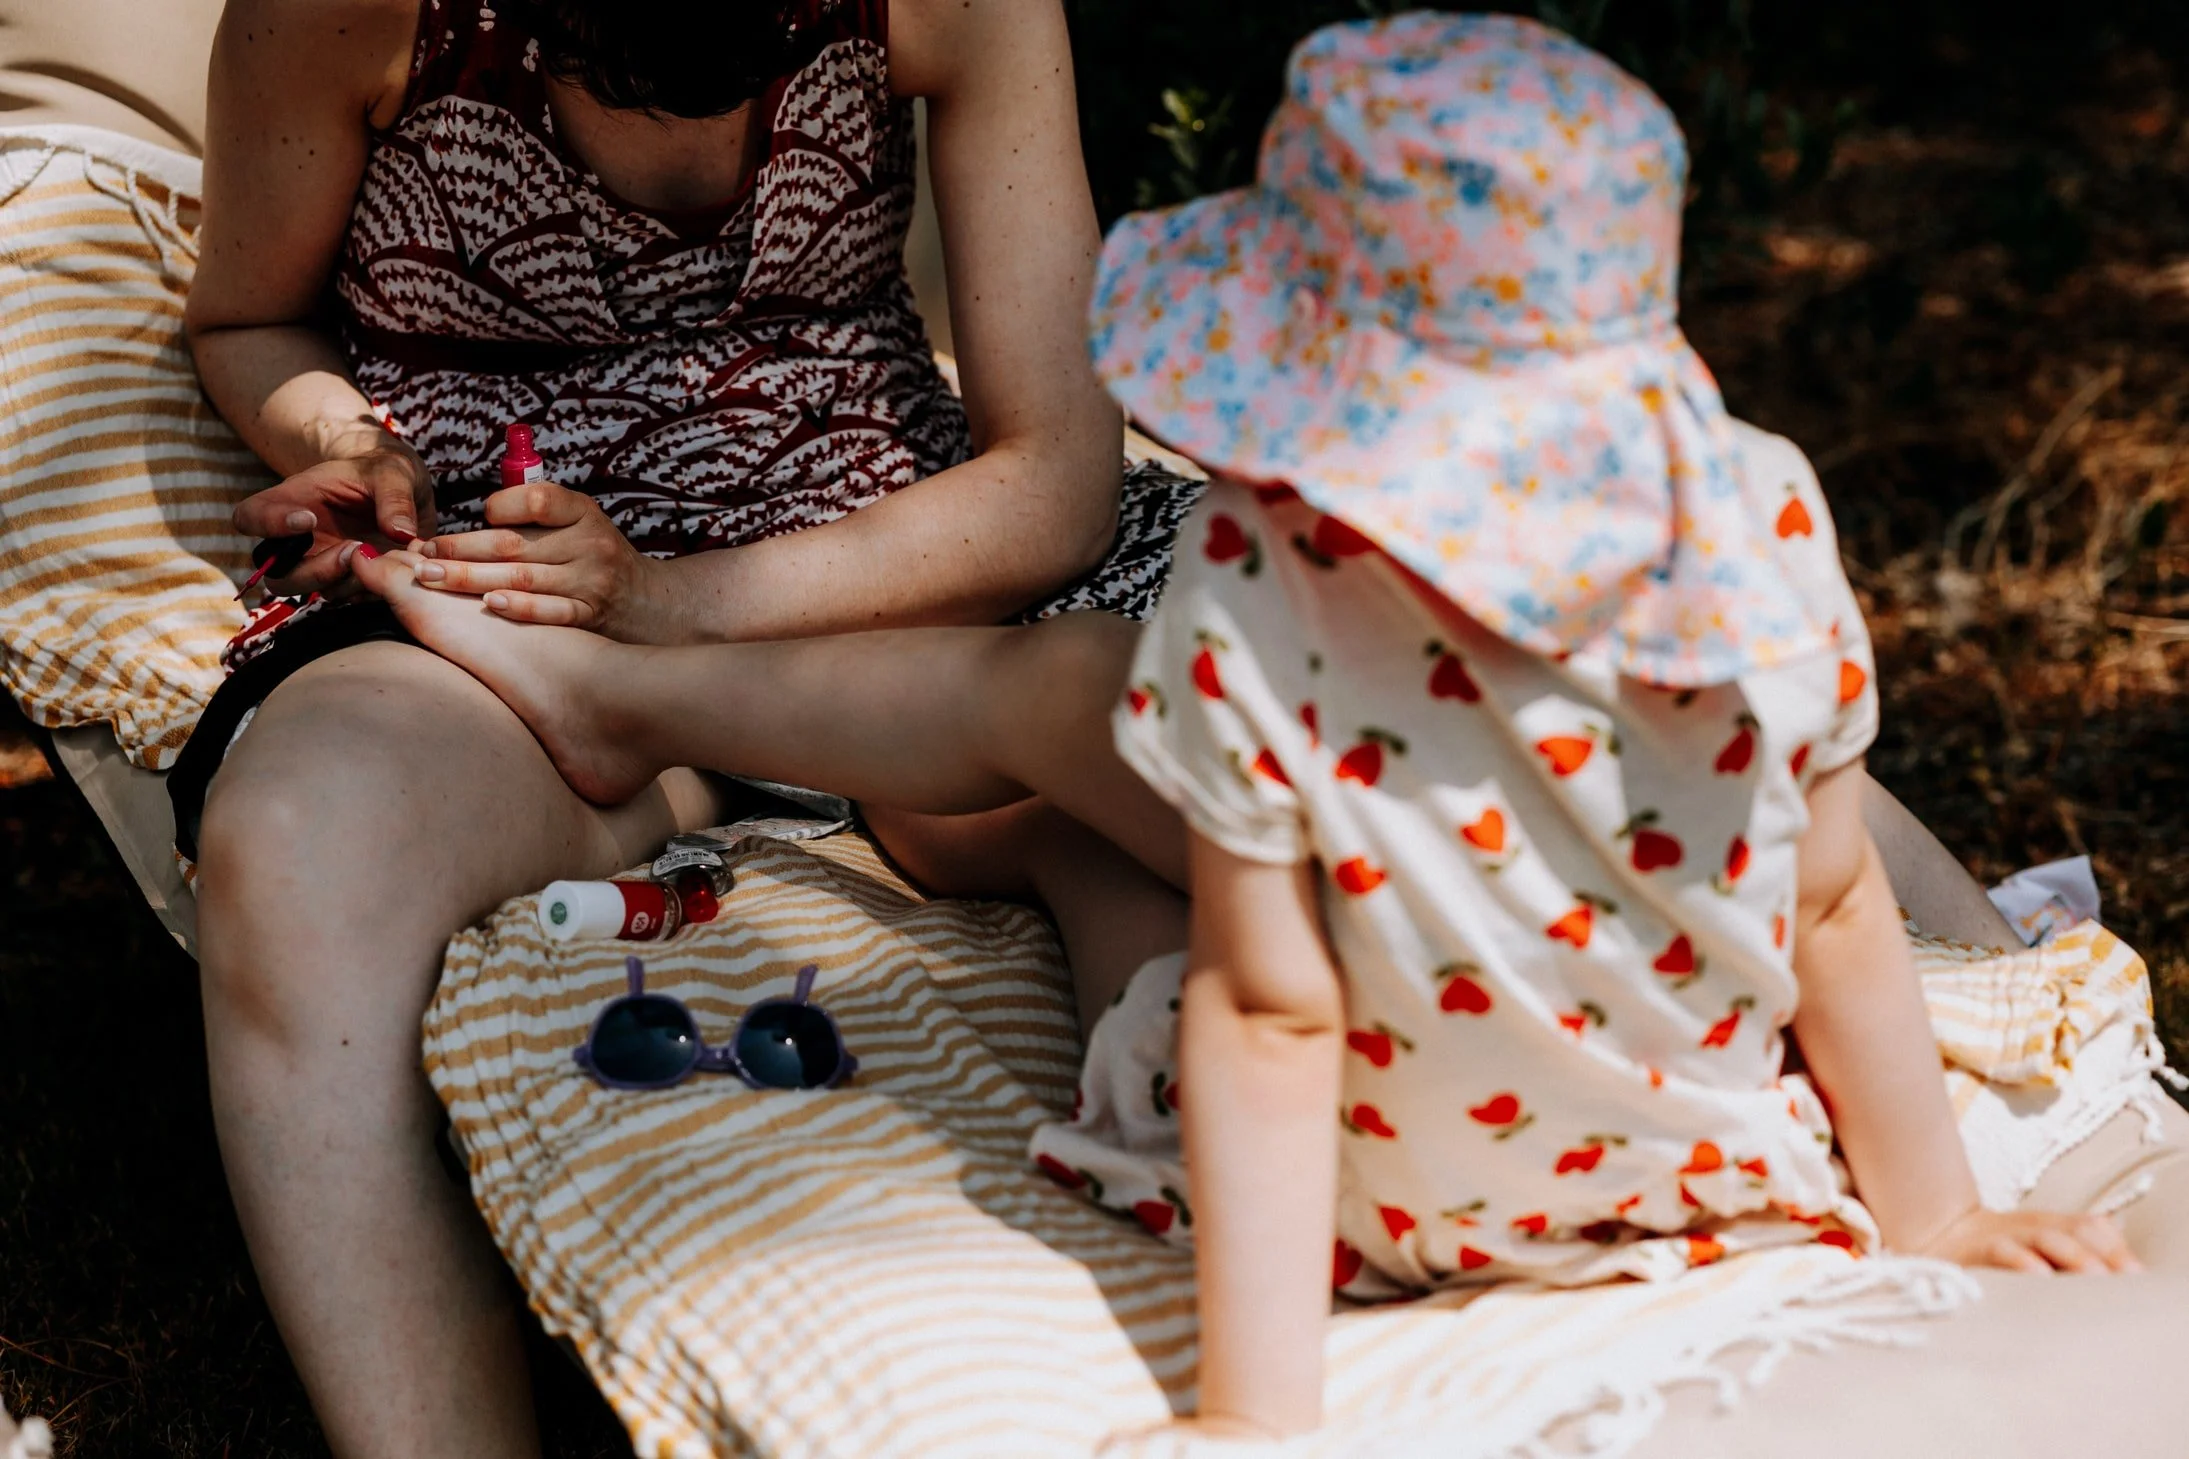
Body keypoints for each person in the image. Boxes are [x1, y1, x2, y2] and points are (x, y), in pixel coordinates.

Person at [342, 14, 2188, 1448]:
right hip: (1693, 1161)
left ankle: (767, 752)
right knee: (1081, 734)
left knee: (1074, 797)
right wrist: (1933, 1216)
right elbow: (1836, 904)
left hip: (1398, 1198)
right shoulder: (1764, 520)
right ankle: (863, 779)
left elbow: (1275, 1017)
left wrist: (1256, 1413)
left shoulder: (1272, 588)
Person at [178, 0, 1201, 1452]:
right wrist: (350, 443)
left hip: (900, 588)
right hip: (514, 621)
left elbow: (1055, 482)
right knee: (303, 842)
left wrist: (671, 607)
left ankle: (1239, 1342)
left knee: (1220, 758)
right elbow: (244, 317)